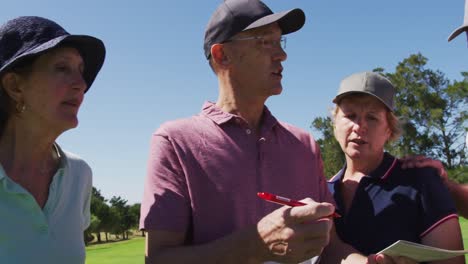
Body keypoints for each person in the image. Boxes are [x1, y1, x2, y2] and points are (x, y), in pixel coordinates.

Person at [140, 1, 415, 263]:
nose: (282, 54)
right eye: (264, 42)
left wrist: (364, 262)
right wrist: (256, 245)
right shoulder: (175, 142)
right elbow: (159, 259)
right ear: (222, 55)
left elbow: (330, 248)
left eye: (279, 42)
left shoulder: (303, 144)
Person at [325, 71, 465, 263]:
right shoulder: (323, 191)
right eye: (350, 115)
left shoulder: (421, 181)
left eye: (372, 117)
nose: (359, 126)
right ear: (334, 125)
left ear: (389, 130)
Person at [0, 16, 105, 263]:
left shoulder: (79, 174)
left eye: (81, 71)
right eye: (62, 68)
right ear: (15, 86)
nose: (81, 84)